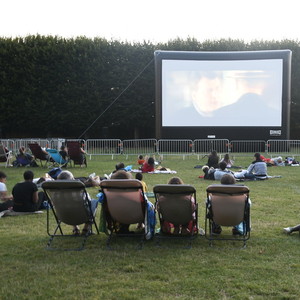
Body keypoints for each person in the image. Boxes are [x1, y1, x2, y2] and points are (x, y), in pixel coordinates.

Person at [57, 170, 98, 235]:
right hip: (82, 217)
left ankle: (75, 228)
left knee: (69, 206)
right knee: (94, 202)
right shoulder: (79, 191)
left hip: (64, 217)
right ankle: (86, 228)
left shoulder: (56, 193)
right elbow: (88, 201)